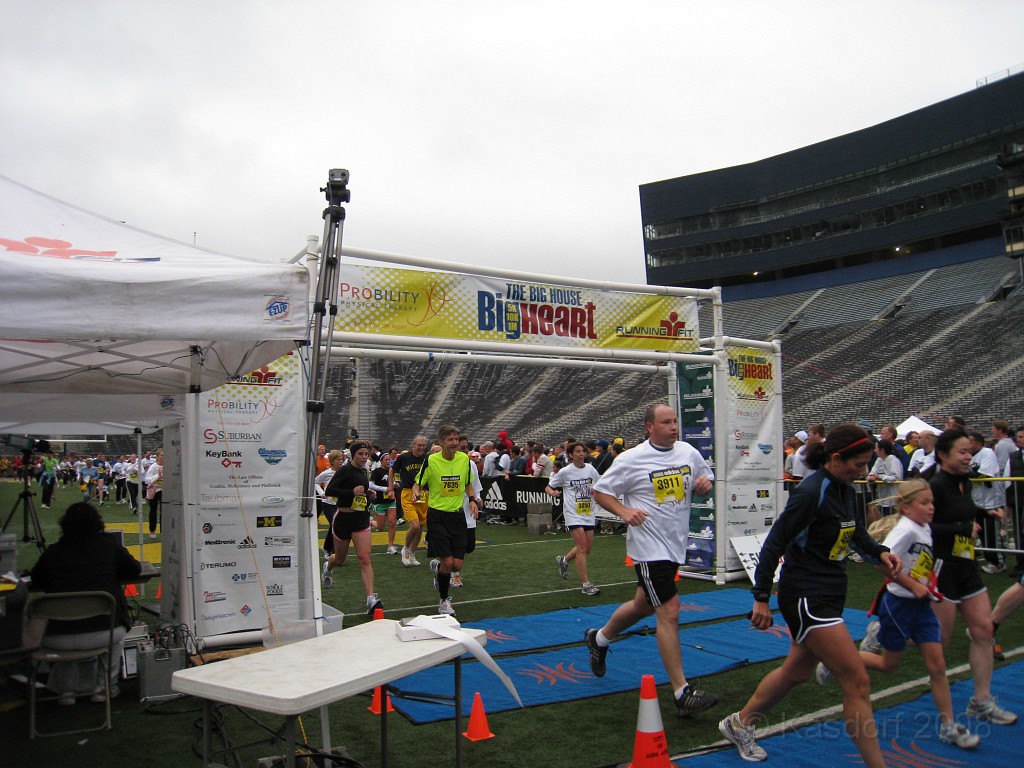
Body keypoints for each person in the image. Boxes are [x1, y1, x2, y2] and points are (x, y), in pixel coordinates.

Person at [719, 423, 902, 765]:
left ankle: (739, 723)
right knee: (857, 681)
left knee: (798, 671)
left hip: (830, 591)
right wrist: (761, 596)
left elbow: (855, 531)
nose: (863, 471)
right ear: (836, 458)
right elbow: (775, 541)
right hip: (806, 595)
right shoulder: (810, 492)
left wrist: (879, 552)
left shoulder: (845, 488)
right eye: (859, 464)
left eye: (866, 464)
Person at [815, 479, 980, 749]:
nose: (931, 507)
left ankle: (948, 725)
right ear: (906, 508)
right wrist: (912, 585)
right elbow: (881, 563)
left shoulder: (924, 527)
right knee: (887, 665)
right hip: (898, 605)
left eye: (932, 502)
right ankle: (835, 660)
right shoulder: (904, 530)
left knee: (938, 665)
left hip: (922, 606)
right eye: (924, 503)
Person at [584, 403, 719, 718]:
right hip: (649, 548)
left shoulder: (687, 453)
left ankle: (598, 638)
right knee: (669, 612)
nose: (673, 427)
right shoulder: (631, 459)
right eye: (666, 422)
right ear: (650, 427)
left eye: (675, 421)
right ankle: (682, 692)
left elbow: (705, 481)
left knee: (643, 605)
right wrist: (625, 512)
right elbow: (600, 492)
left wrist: (705, 486)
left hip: (674, 545)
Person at [925, 428, 1016, 724]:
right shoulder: (934, 485)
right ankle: (884, 632)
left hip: (966, 564)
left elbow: (963, 510)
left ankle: (981, 701)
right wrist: (960, 529)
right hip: (941, 567)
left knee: (984, 630)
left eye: (970, 451)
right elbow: (921, 527)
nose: (968, 457)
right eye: (962, 452)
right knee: (939, 639)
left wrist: (986, 515)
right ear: (943, 454)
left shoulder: (964, 480)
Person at [30, 501, 142, 704]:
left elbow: (36, 579)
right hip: (104, 632)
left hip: (57, 635)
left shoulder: (54, 551)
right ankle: (105, 687)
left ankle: (66, 691)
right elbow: (134, 569)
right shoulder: (109, 546)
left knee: (69, 637)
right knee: (117, 638)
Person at [413, 425, 477, 616]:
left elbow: (468, 483)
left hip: (458, 516)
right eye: (450, 439)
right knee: (448, 563)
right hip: (437, 516)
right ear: (441, 442)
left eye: (456, 439)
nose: (454, 443)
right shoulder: (431, 460)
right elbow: (418, 482)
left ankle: (438, 568)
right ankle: (444, 601)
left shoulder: (464, 459)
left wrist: (472, 500)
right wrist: (416, 491)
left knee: (457, 565)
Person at [322, 440, 384, 617]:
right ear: (353, 455)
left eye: (366, 454)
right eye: (360, 454)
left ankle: (370, 599)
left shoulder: (363, 471)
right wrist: (351, 493)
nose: (364, 457)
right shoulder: (344, 470)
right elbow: (330, 490)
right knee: (340, 558)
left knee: (364, 558)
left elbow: (360, 492)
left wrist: (368, 494)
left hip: (361, 518)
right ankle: (328, 566)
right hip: (343, 518)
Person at [547, 441, 602, 595]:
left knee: (587, 548)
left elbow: (599, 485)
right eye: (577, 451)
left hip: (588, 512)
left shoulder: (590, 469)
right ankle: (586, 584)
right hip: (573, 513)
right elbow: (548, 487)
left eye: (583, 451)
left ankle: (564, 560)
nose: (581, 454)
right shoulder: (565, 472)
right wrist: (553, 493)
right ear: (571, 455)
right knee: (582, 548)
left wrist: (595, 492)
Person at [967, 430, 1006, 574]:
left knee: (991, 535)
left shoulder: (987, 453)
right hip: (978, 501)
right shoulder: (971, 456)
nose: (968, 445)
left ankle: (998, 562)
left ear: (978, 443)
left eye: (970, 442)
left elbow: (985, 475)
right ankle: (991, 559)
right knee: (983, 534)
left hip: (991, 501)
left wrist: (964, 473)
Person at [389, 436, 430, 567]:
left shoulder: (428, 459)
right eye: (419, 445)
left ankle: (412, 554)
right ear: (413, 445)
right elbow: (392, 470)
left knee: (420, 528)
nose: (421, 448)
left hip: (423, 495)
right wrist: (390, 487)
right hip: (408, 494)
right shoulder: (404, 457)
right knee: (415, 525)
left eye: (423, 445)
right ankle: (405, 549)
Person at [314, 449, 345, 558]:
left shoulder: (344, 471)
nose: (341, 461)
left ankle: (329, 548)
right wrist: (322, 493)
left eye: (341, 459)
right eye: (338, 459)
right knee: (334, 524)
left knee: (338, 526)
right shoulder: (327, 473)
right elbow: (315, 482)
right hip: (328, 504)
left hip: (340, 504)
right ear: (332, 461)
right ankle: (328, 549)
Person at [866, 439, 903, 520]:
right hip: (882, 497)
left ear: (882, 450)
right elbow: (873, 471)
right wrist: (871, 476)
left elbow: (896, 477)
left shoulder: (893, 460)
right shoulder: (879, 459)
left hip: (893, 498)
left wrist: (880, 477)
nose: (875, 451)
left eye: (876, 448)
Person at [370, 452, 399, 554]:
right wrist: (385, 489)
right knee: (380, 527)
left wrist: (395, 485)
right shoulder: (376, 471)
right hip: (379, 501)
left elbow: (394, 482)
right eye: (386, 460)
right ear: (381, 461)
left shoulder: (392, 471)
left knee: (392, 523)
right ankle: (371, 522)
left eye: (389, 460)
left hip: (391, 501)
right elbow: (370, 485)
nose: (388, 461)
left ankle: (391, 546)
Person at [144, 448, 163, 539]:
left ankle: (163, 530)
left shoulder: (167, 466)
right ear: (157, 456)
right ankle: (152, 530)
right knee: (153, 510)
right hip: (154, 490)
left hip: (163, 490)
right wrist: (157, 476)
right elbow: (147, 480)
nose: (163, 457)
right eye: (162, 455)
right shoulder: (153, 467)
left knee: (164, 510)